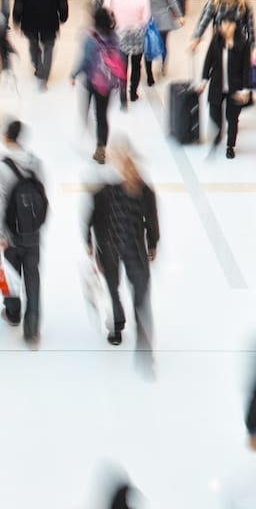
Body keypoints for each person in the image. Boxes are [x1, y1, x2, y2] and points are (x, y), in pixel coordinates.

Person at [87, 145, 159, 360]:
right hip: (110, 245)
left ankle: (143, 340)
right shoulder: (107, 188)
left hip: (133, 248)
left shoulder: (145, 191)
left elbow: (152, 221)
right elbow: (93, 214)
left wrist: (153, 244)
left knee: (139, 294)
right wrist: (89, 241)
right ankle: (117, 324)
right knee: (112, 286)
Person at [0, 120, 48, 346]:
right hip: (32, 232)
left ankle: (13, 313)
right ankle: (32, 329)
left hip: (10, 234)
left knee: (11, 274)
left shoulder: (0, 167)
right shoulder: (36, 163)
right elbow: (42, 195)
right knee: (32, 277)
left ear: (7, 137)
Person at [72, 6, 125, 163]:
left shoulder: (90, 38)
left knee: (87, 108)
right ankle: (101, 146)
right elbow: (120, 60)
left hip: (91, 81)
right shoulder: (115, 38)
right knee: (102, 115)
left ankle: (85, 124)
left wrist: (74, 74)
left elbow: (85, 60)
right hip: (107, 85)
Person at [198, 13, 255, 158]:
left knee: (233, 118)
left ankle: (230, 145)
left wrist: (245, 89)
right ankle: (218, 134)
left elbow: (246, 69)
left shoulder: (243, 44)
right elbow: (208, 61)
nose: (226, 28)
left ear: (236, 26)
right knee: (214, 113)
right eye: (223, 24)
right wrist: (204, 80)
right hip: (217, 85)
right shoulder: (216, 41)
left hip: (235, 87)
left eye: (229, 24)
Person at [11, 0, 68, 88]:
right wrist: (63, 15)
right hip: (49, 21)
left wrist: (16, 19)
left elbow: (19, 1)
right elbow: (62, 0)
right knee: (49, 46)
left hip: (30, 21)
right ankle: (44, 75)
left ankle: (38, 66)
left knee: (33, 44)